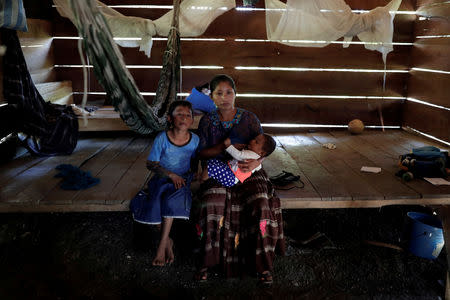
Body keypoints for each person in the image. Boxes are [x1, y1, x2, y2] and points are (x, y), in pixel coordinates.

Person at [195, 74, 285, 284]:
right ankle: (206, 261)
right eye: (219, 93)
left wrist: (256, 162)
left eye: (229, 92)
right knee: (211, 203)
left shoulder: (249, 118)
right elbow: (201, 154)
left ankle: (263, 265)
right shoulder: (207, 121)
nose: (225, 97)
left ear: (236, 94)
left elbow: (265, 147)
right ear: (213, 98)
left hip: (249, 170)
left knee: (261, 202)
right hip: (219, 168)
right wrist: (221, 148)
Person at [130, 100, 199, 266]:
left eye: (188, 115)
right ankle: (167, 242)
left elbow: (195, 161)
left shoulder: (195, 140)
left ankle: (161, 246)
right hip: (162, 178)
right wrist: (170, 174)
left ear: (192, 120)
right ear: (170, 119)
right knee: (155, 201)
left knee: (171, 200)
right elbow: (151, 164)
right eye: (179, 114)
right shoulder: (162, 138)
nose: (184, 118)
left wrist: (194, 176)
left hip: (183, 179)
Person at [203, 133, 276, 187]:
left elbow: (239, 155)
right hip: (229, 170)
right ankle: (205, 176)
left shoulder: (252, 155)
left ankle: (201, 180)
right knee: (213, 162)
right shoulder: (256, 158)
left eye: (256, 142)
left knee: (212, 168)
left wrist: (228, 146)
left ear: (262, 153)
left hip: (231, 176)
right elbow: (258, 167)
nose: (252, 140)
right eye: (254, 139)